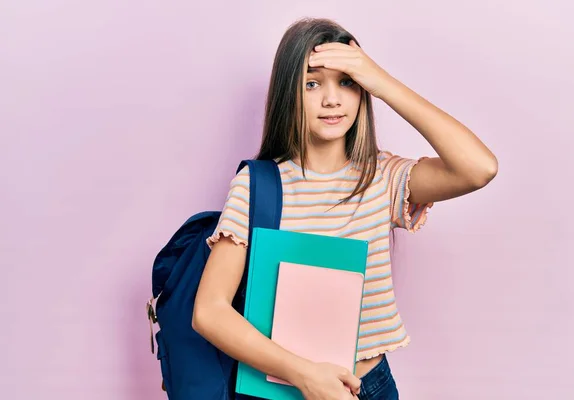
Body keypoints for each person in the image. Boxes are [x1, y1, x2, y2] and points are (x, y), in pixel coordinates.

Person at [192, 17, 497, 400]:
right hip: (286, 388)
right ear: (290, 93)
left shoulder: (382, 177)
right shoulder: (258, 186)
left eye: (347, 82)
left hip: (371, 385)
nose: (332, 99)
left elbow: (479, 168)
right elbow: (210, 310)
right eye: (312, 84)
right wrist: (303, 374)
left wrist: (380, 80)